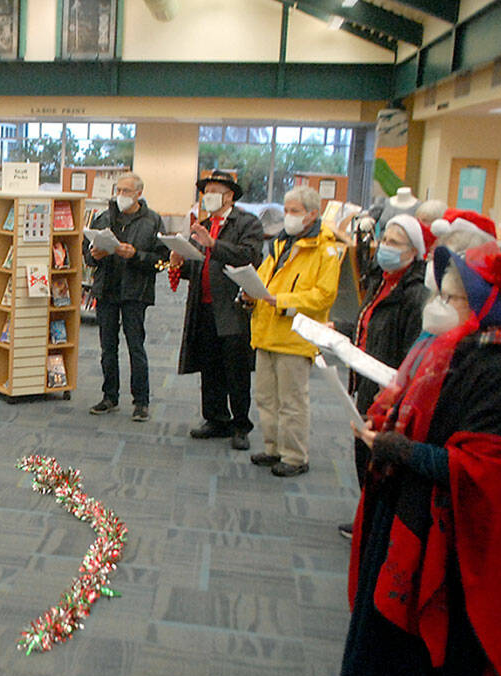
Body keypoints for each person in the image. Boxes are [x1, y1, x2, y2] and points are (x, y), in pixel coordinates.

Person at [339, 242, 501, 676]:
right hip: (412, 503)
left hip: (453, 530)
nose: (441, 305)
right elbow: (413, 412)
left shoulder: (497, 372)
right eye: (442, 293)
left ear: (482, 308)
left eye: (455, 298)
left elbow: (487, 469)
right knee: (393, 618)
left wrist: (404, 451)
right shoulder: (436, 350)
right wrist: (385, 435)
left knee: (441, 635)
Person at [334, 215, 431, 538]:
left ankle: (380, 525)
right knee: (363, 452)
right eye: (384, 239)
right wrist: (343, 330)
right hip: (366, 380)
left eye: (394, 242)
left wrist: (394, 394)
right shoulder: (382, 280)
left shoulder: (415, 296)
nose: (384, 247)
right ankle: (368, 517)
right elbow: (371, 328)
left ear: (414, 251)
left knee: (381, 458)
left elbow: (411, 355)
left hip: (388, 390)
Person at [246, 185, 343, 477]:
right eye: (286, 210)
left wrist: (283, 301)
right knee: (266, 397)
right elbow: (264, 277)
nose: (288, 216)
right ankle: (273, 447)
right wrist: (250, 292)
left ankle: (295, 455)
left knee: (292, 401)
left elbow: (324, 295)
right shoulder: (281, 243)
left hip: (295, 336)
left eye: (294, 211)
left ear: (312, 215)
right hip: (266, 332)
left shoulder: (325, 249)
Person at [169, 169, 264, 447]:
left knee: (236, 368)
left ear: (229, 195)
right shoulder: (204, 223)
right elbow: (198, 266)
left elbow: (250, 256)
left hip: (233, 307)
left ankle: (240, 425)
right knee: (209, 365)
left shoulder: (247, 223)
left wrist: (214, 244)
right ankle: (215, 418)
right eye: (205, 192)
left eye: (214, 192)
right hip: (203, 305)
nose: (208, 197)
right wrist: (180, 260)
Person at [85, 173, 170, 422]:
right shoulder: (104, 217)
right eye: (118, 189)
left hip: (136, 292)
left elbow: (161, 261)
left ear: (138, 194)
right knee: (107, 348)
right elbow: (87, 254)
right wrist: (94, 256)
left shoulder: (152, 221)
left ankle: (141, 401)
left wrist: (135, 255)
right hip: (107, 289)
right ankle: (109, 396)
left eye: (126, 191)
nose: (120, 195)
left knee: (136, 347)